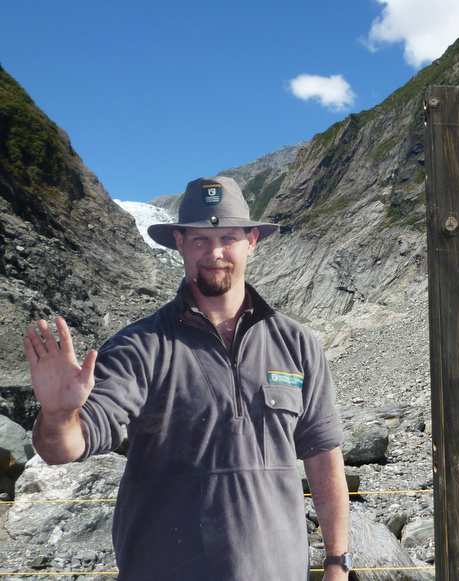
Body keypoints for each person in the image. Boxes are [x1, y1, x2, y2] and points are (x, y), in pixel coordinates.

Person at [23, 177, 352, 581]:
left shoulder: (298, 344)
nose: (215, 253)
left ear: (252, 240)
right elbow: (66, 447)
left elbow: (323, 457)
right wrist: (58, 414)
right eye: (199, 240)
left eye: (228, 237)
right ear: (179, 242)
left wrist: (337, 561)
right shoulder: (140, 347)